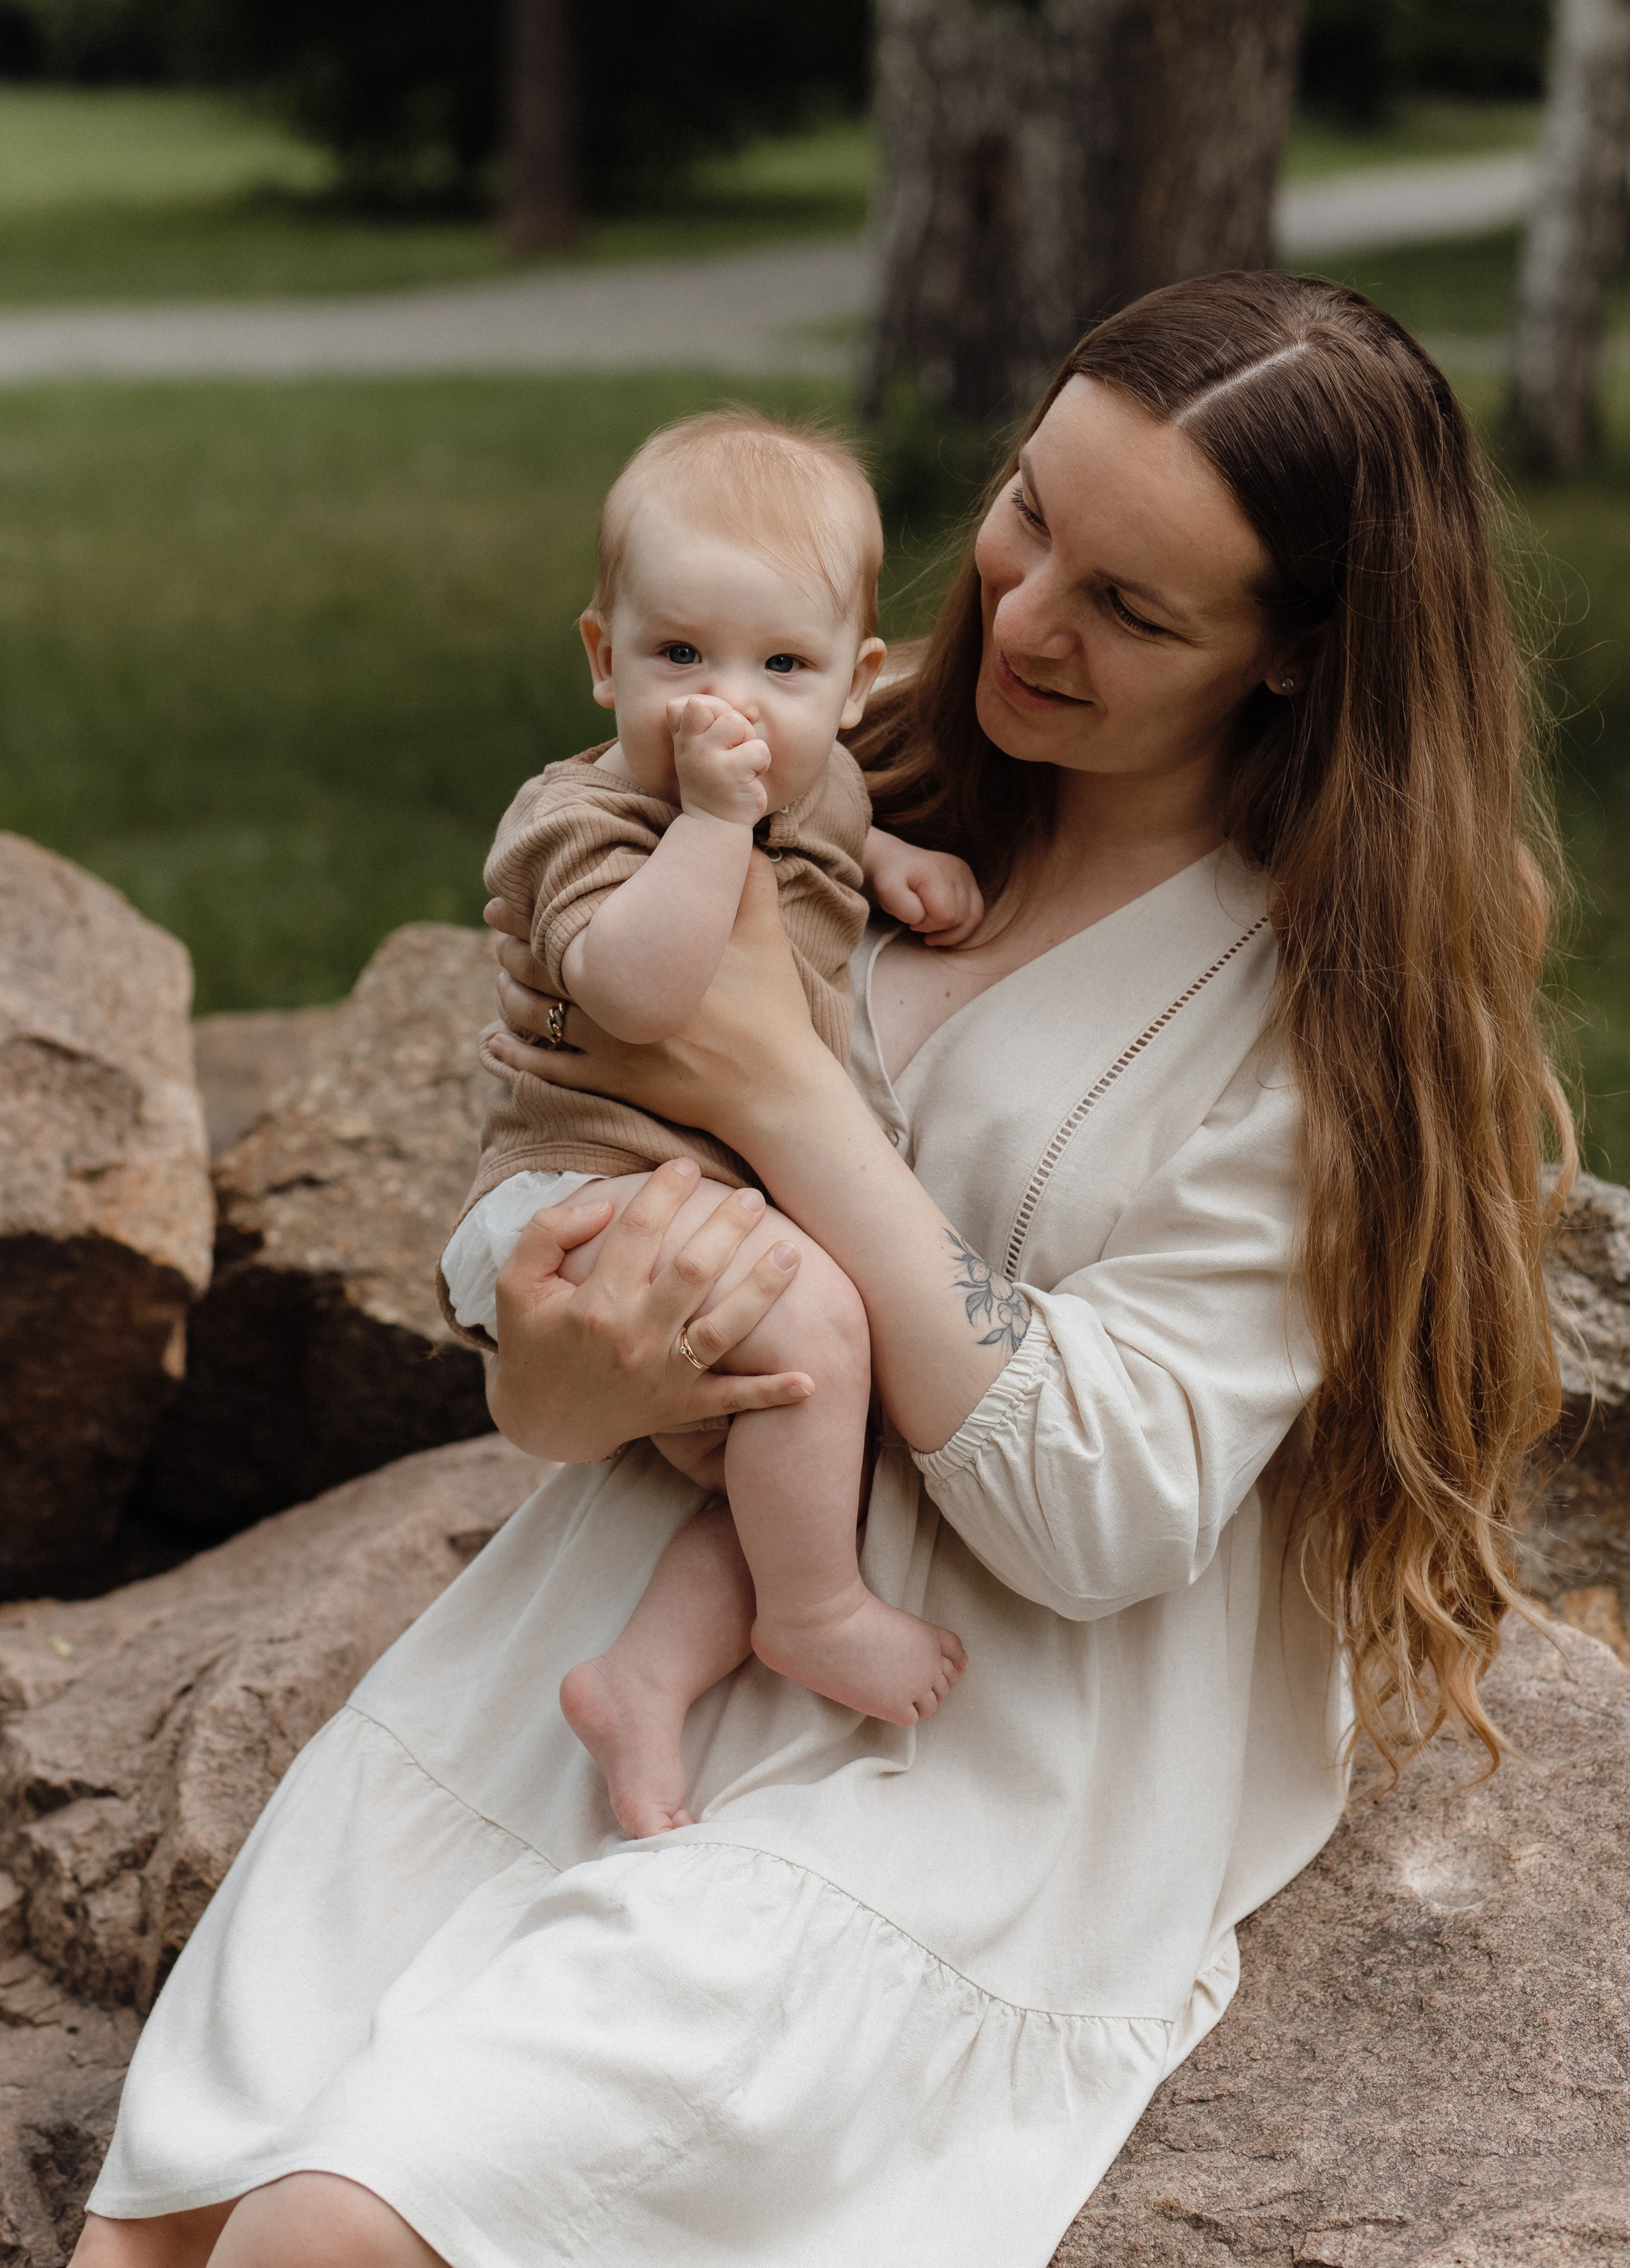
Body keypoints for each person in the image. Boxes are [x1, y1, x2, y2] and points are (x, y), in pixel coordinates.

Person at [76, 272, 1569, 2268]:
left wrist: (789, 1090)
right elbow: (538, 1281)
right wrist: (565, 1360)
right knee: (171, 2220)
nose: (1024, 617)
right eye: (1032, 515)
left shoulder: (1331, 1026)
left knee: (336, 2232)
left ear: (1300, 654)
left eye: (1133, 607)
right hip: (619, 1641)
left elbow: (1099, 1512)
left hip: (976, 1741)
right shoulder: (810, 753)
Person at [439, 409, 978, 1836]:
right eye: (679, 656)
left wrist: (894, 860)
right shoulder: (583, 820)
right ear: (604, 656)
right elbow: (638, 991)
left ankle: (643, 1681)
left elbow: (832, 826)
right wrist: (710, 828)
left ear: (856, 682)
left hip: (689, 1208)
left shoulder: (819, 778)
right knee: (815, 1337)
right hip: (574, 1198)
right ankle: (815, 1611)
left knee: (807, 1440)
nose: (726, 704)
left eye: (781, 666)